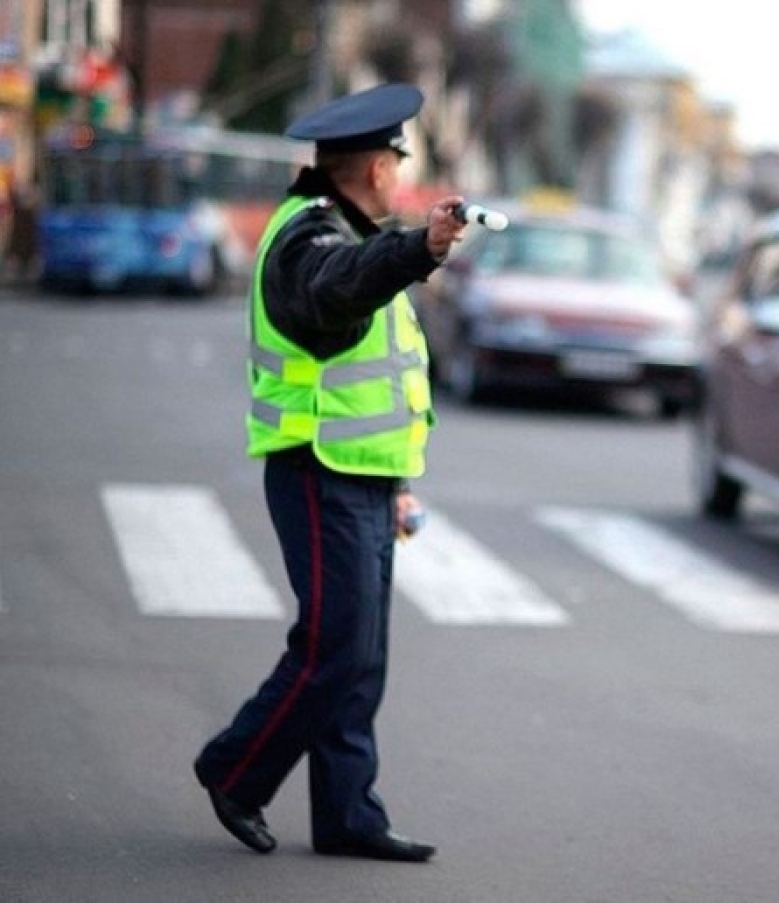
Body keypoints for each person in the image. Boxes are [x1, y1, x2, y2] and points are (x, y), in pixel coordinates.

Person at [193, 83, 468, 862]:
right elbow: (334, 293)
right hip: (317, 468)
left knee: (359, 653)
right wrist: (418, 249)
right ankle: (234, 771)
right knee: (333, 647)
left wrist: (399, 479)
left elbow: (381, 373)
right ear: (377, 167)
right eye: (393, 159)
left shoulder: (346, 231)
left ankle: (350, 813)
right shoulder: (306, 241)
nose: (396, 174)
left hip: (364, 473)